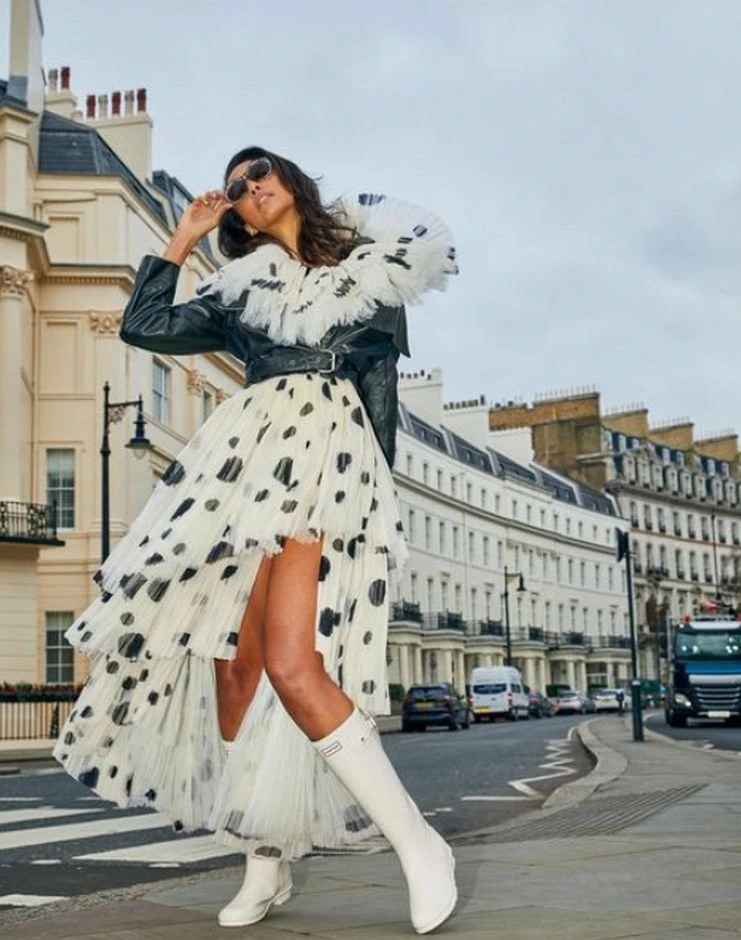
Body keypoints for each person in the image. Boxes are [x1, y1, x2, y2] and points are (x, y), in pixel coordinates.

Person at [53, 147, 459, 935]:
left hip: (325, 460)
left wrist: (371, 504)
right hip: (243, 466)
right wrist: (182, 239)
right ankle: (263, 860)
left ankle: (418, 842)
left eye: (258, 171)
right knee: (233, 665)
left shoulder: (372, 270)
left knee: (290, 661)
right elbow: (145, 326)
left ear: (291, 179)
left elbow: (380, 399)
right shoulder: (238, 291)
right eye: (235, 187)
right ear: (234, 212)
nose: (248, 188)